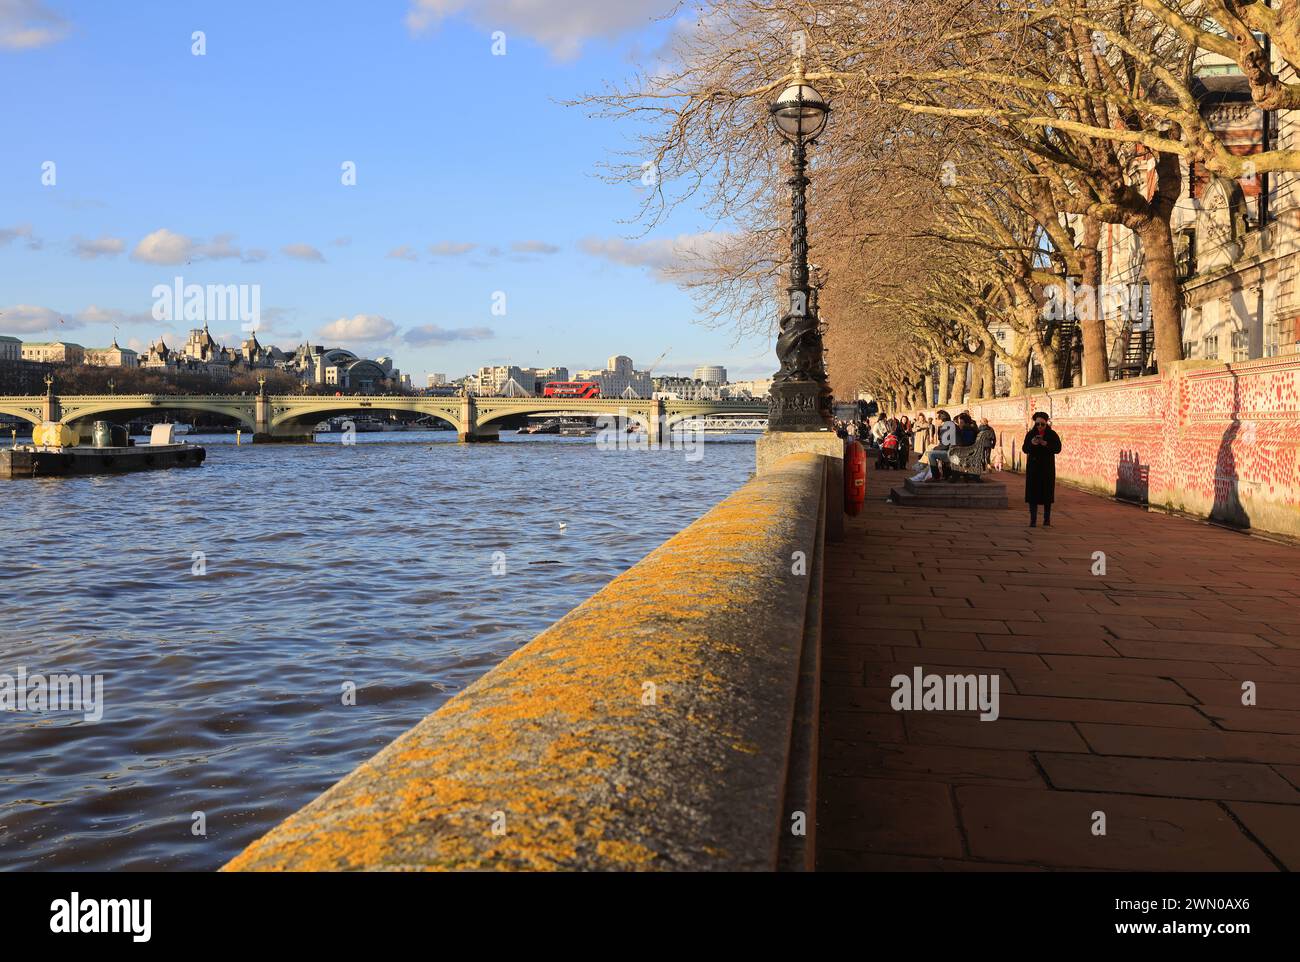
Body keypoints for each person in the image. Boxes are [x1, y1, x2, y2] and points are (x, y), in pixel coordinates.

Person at [1022, 411, 1062, 526]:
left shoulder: (1052, 434)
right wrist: (1032, 444)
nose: (1040, 426)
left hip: (1047, 468)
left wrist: (1046, 444)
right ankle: (1033, 519)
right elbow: (1025, 449)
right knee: (1032, 494)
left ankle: (1046, 518)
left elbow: (1058, 448)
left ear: (1046, 423)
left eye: (1042, 424)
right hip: (1033, 468)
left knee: (1047, 494)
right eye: (1038, 424)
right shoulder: (1030, 434)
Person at [926, 410, 956, 481]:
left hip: (953, 453)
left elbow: (944, 446)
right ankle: (946, 474)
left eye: (936, 418)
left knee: (931, 454)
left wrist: (934, 448)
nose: (935, 420)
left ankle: (935, 476)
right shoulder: (949, 425)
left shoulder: (947, 427)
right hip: (953, 450)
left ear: (941, 419)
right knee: (932, 451)